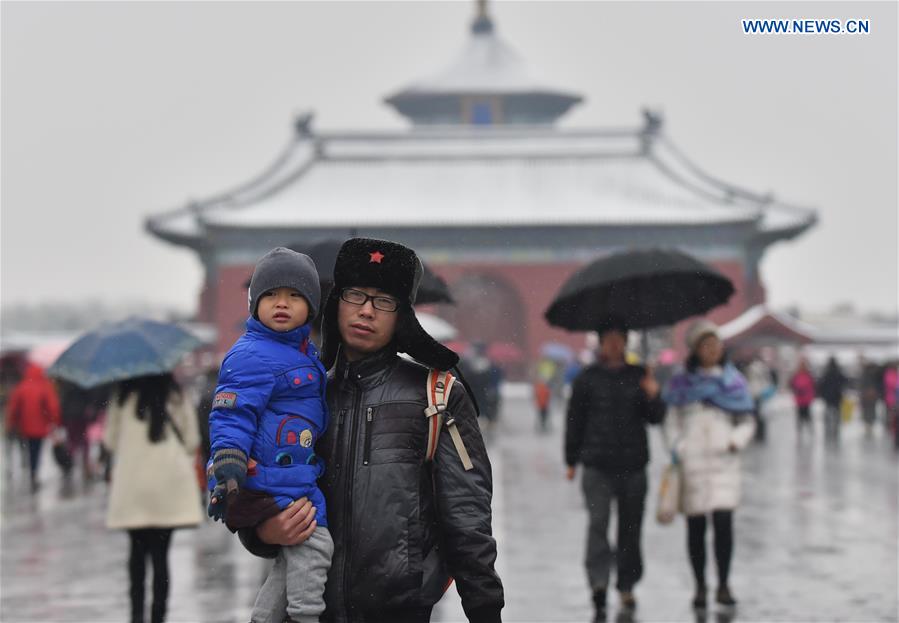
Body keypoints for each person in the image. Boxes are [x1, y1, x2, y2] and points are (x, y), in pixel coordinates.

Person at [237, 238, 504, 623]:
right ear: (335, 303)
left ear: (403, 315)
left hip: (399, 610)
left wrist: (485, 609)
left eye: (383, 301)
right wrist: (263, 531)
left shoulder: (438, 396)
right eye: (355, 295)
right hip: (309, 609)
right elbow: (255, 487)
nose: (366, 311)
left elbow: (467, 517)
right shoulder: (298, 395)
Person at [206, 246, 333, 623]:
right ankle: (306, 616)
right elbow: (231, 412)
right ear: (254, 305)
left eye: (295, 296)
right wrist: (228, 455)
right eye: (271, 296)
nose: (282, 303)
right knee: (315, 544)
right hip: (280, 475)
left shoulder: (305, 354)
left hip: (294, 473)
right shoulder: (253, 354)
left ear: (311, 308)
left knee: (291, 559)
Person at [564, 318, 665, 620]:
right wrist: (571, 460)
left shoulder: (639, 375)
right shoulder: (586, 378)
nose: (614, 343)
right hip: (597, 466)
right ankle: (598, 583)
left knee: (630, 528)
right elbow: (574, 421)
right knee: (598, 524)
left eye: (619, 338)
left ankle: (626, 584)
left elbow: (656, 418)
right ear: (600, 343)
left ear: (625, 341)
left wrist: (653, 393)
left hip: (633, 465)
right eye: (608, 338)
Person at [662, 320, 755, 611]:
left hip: (724, 463)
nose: (712, 350)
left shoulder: (734, 382)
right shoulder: (681, 383)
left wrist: (735, 440)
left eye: (715, 344)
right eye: (705, 345)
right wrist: (678, 446)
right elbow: (670, 421)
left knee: (724, 526)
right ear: (695, 350)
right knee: (696, 528)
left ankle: (724, 584)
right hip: (693, 465)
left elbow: (747, 420)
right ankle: (700, 585)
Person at [103, 373, 203, 623]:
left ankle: (136, 615)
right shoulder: (175, 394)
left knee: (136, 554)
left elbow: (110, 441)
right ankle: (159, 616)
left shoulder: (123, 396)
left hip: (133, 485)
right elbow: (192, 441)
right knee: (161, 555)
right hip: (167, 484)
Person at [5, 363, 61, 492]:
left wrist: (11, 423)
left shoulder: (21, 387)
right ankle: (34, 472)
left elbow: (13, 408)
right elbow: (53, 407)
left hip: (24, 427)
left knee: (29, 449)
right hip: (40, 428)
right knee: (37, 450)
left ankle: (30, 469)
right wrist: (55, 422)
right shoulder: (45, 387)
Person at [744, 356, 775, 442]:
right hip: (759, 394)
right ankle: (760, 434)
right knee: (760, 416)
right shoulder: (763, 369)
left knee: (757, 416)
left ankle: (758, 434)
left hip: (756, 394)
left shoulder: (751, 369)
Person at [817, 357, 847, 441]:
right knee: (836, 413)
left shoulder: (826, 373)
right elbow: (845, 381)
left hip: (829, 397)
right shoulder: (838, 372)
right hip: (836, 397)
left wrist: (822, 394)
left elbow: (821, 384)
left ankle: (828, 428)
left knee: (828, 413)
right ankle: (836, 429)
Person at [789, 358, 816, 436]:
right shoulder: (797, 375)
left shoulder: (808, 375)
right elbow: (792, 385)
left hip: (806, 399)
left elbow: (812, 386)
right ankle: (801, 431)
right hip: (800, 399)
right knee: (801, 416)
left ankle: (808, 430)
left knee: (806, 415)